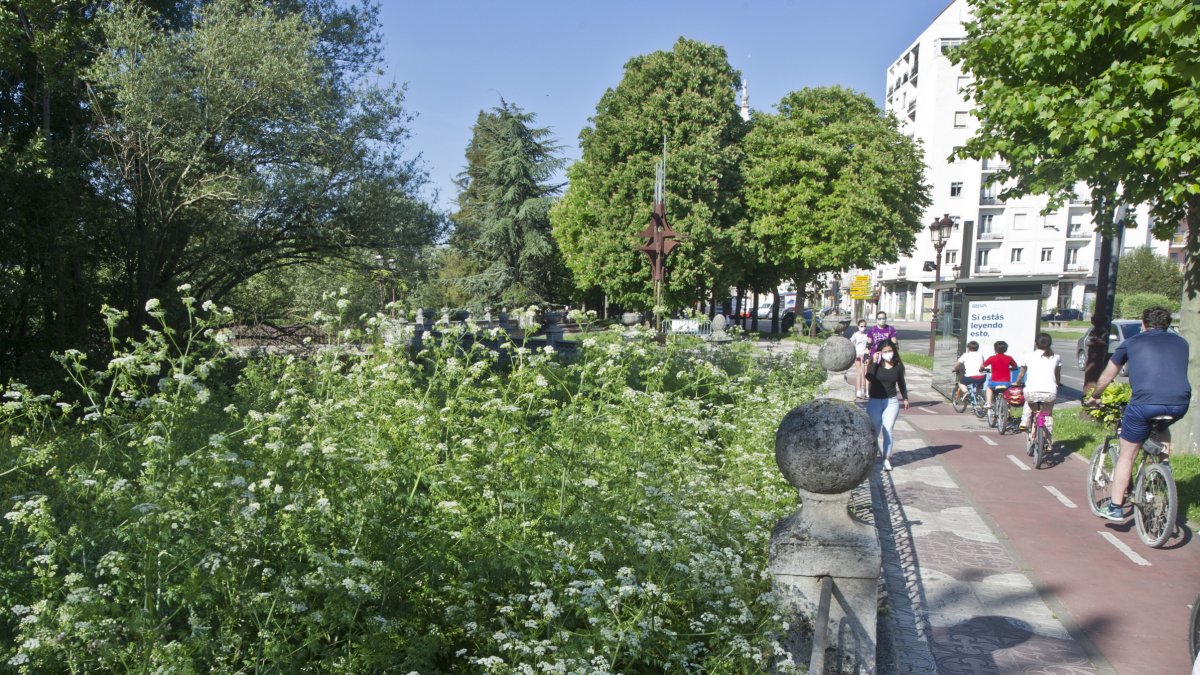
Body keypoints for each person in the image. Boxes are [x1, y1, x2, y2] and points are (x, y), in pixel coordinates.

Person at [1087, 307, 1191, 522]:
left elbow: (1108, 375)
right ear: (1168, 324)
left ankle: (1115, 507)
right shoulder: (1182, 342)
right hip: (1179, 403)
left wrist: (1095, 395)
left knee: (1127, 454)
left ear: (1143, 324)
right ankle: (1164, 466)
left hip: (1144, 403)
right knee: (1162, 426)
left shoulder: (1132, 342)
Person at [866, 339, 909, 471]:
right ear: (880, 352)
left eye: (890, 351)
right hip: (875, 401)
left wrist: (905, 398)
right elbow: (869, 377)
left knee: (888, 429)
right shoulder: (876, 366)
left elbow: (901, 383)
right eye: (885, 352)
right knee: (875, 429)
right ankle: (870, 457)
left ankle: (886, 459)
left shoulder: (898, 367)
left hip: (891, 401)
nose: (888, 354)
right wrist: (873, 361)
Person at [1016, 333, 1061, 437]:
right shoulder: (1056, 357)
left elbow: (1021, 374)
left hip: (1031, 392)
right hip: (1050, 393)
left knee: (1029, 403)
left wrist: (1017, 382)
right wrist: (1057, 383)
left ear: (1035, 343)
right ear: (1050, 344)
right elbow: (1057, 375)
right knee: (1047, 415)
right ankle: (1048, 441)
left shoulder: (1028, 356)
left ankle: (1024, 421)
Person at [980, 341, 1019, 409]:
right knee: (1006, 392)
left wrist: (981, 369)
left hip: (994, 382)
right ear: (1005, 349)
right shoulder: (1009, 358)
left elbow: (982, 366)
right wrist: (1010, 368)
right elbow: (1015, 366)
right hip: (1006, 382)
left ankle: (988, 402)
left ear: (995, 349)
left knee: (989, 388)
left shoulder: (992, 358)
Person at [851, 319, 871, 398]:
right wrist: (855, 354)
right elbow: (851, 344)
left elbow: (870, 344)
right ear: (858, 326)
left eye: (865, 326)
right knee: (859, 372)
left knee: (866, 373)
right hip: (858, 355)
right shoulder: (855, 335)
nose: (863, 328)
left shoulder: (868, 335)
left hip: (865, 355)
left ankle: (866, 390)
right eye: (861, 326)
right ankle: (858, 390)